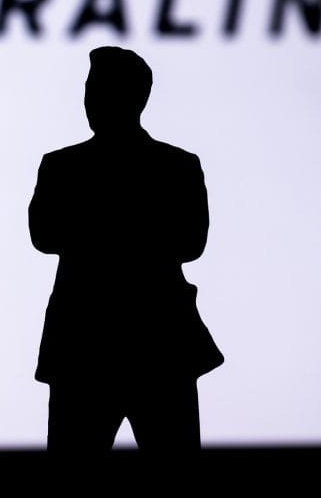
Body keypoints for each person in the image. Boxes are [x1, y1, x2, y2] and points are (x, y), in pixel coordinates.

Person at [29, 46, 223, 456]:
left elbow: (191, 243)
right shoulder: (176, 166)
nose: (90, 101)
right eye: (90, 90)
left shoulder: (64, 167)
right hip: (150, 341)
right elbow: (43, 235)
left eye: (98, 90)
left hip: (95, 343)